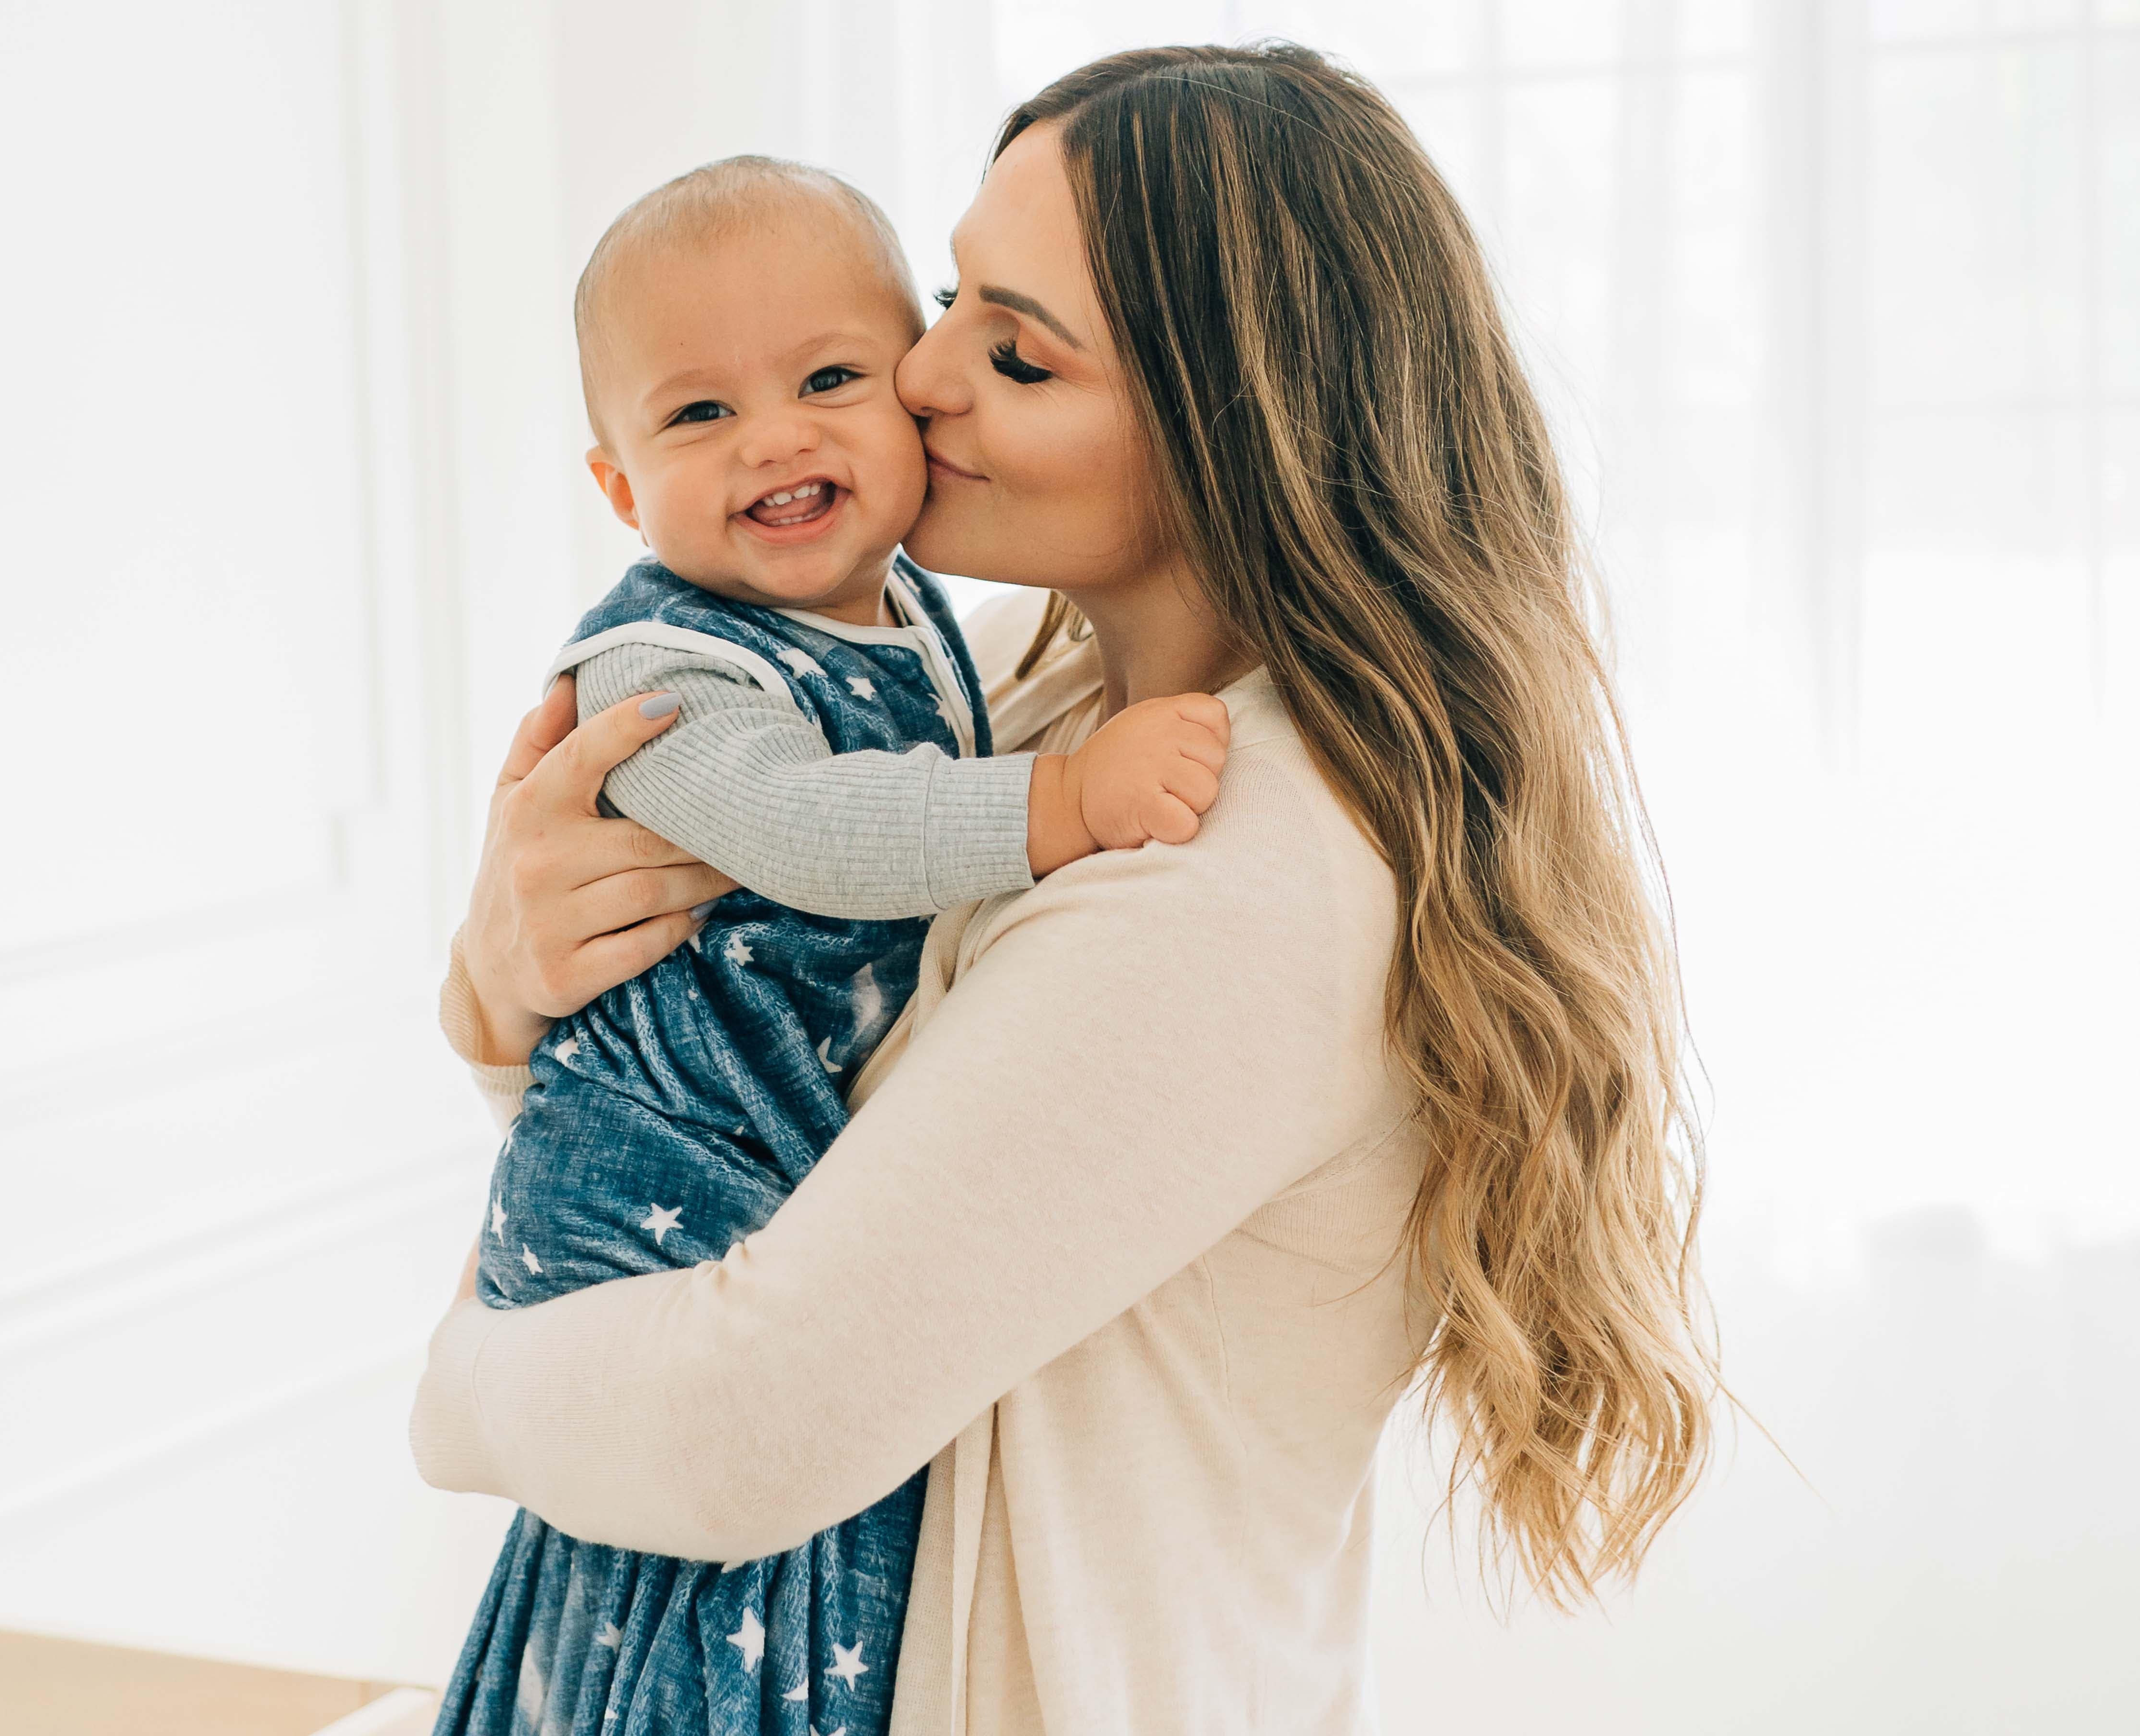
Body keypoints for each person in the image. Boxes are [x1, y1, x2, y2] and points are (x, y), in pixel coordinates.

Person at [418, 42, 1717, 1736]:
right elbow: (778, 1120)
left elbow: (744, 1427)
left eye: (1017, 352)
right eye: (951, 299)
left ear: (1229, 432)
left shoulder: (1228, 873)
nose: (920, 374)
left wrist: (459, 1384)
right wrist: (507, 992)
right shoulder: (1022, 710)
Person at [438, 155, 1231, 1736]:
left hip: (768, 1177)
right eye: (699, 413)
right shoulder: (671, 670)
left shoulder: (919, 619)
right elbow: (810, 829)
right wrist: (1066, 801)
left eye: (829, 380)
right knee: (655, 1618)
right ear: (620, 490)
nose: (777, 438)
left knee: (715, 1606)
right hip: (666, 1162)